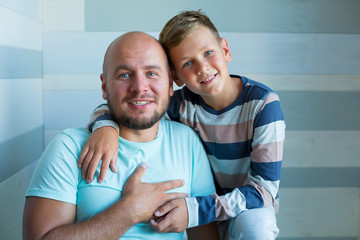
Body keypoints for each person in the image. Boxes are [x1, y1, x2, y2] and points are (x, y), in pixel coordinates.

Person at [80, 10, 285, 240]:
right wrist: (105, 127)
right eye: (188, 63)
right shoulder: (181, 104)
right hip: (201, 205)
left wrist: (194, 211)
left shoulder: (263, 104)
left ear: (225, 50)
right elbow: (131, 108)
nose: (202, 67)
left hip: (245, 206)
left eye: (208, 52)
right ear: (175, 78)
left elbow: (265, 190)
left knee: (255, 228)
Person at [22, 32, 220, 240]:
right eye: (124, 75)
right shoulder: (68, 148)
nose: (139, 87)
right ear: (105, 87)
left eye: (151, 73)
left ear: (170, 84)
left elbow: (204, 233)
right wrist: (128, 212)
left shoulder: (187, 142)